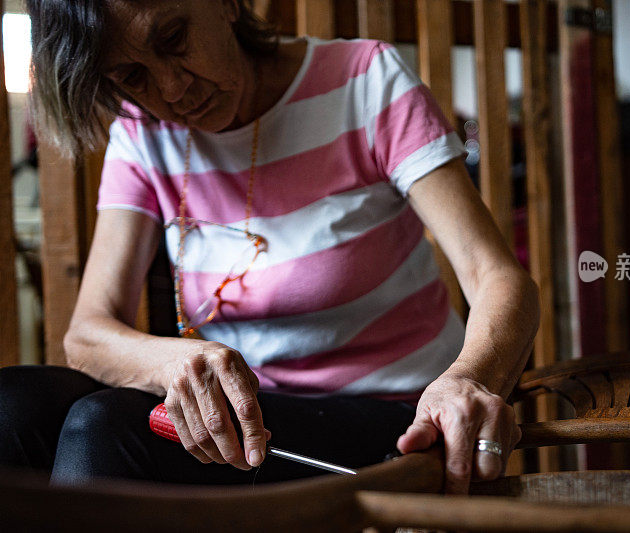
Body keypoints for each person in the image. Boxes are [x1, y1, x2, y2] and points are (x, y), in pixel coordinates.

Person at [0, 0, 539, 494]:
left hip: (394, 416)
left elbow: (495, 275)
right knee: (12, 408)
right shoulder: (144, 133)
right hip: (248, 415)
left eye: (173, 37)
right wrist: (172, 362)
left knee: (105, 428)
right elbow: (88, 335)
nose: (169, 88)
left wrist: (466, 381)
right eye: (132, 75)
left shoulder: (364, 80)